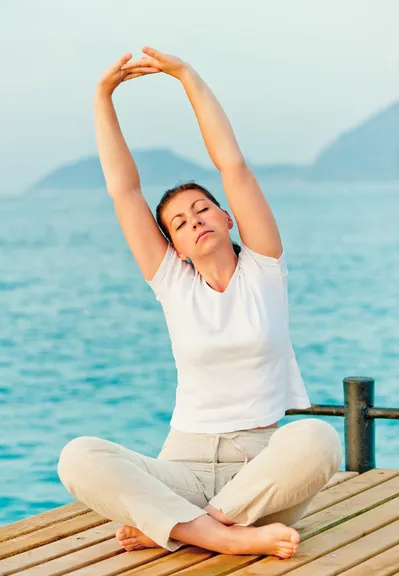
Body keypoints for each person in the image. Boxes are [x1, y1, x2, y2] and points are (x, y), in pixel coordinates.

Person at [57, 47, 343, 560]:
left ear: (228, 218)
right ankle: (221, 536)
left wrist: (185, 75)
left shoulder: (264, 270)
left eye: (203, 209)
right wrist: (102, 95)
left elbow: (230, 162)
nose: (195, 221)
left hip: (260, 476)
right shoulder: (173, 283)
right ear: (176, 247)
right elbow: (125, 192)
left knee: (319, 439)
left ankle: (181, 529)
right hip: (182, 466)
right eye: (181, 223)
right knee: (78, 456)